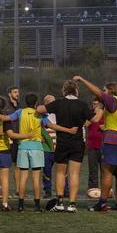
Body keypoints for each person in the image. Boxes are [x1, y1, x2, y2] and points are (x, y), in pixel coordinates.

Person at [73, 75, 117, 213]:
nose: (103, 92)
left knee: (106, 173)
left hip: (113, 141)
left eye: (105, 90)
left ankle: (102, 203)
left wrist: (83, 80)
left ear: (111, 91)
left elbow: (97, 93)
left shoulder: (112, 100)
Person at [39, 81, 90, 212]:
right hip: (78, 142)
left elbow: (40, 109)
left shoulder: (59, 103)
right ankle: (72, 204)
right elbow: (93, 119)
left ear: (64, 91)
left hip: (62, 142)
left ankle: (60, 202)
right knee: (74, 174)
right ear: (76, 91)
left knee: (60, 173)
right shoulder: (82, 104)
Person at [10, 93, 46, 212]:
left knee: (23, 177)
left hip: (23, 146)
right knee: (36, 178)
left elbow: (8, 118)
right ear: (36, 103)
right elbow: (49, 124)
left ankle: (21, 205)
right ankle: (37, 206)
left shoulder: (20, 112)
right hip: (36, 147)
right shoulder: (40, 113)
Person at [85, 99, 104, 192]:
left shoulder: (105, 114)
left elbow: (105, 127)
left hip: (103, 145)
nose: (94, 106)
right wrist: (95, 115)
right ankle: (93, 189)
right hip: (92, 145)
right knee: (93, 169)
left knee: (104, 169)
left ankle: (106, 189)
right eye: (93, 104)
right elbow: (86, 124)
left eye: (96, 104)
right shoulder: (90, 114)